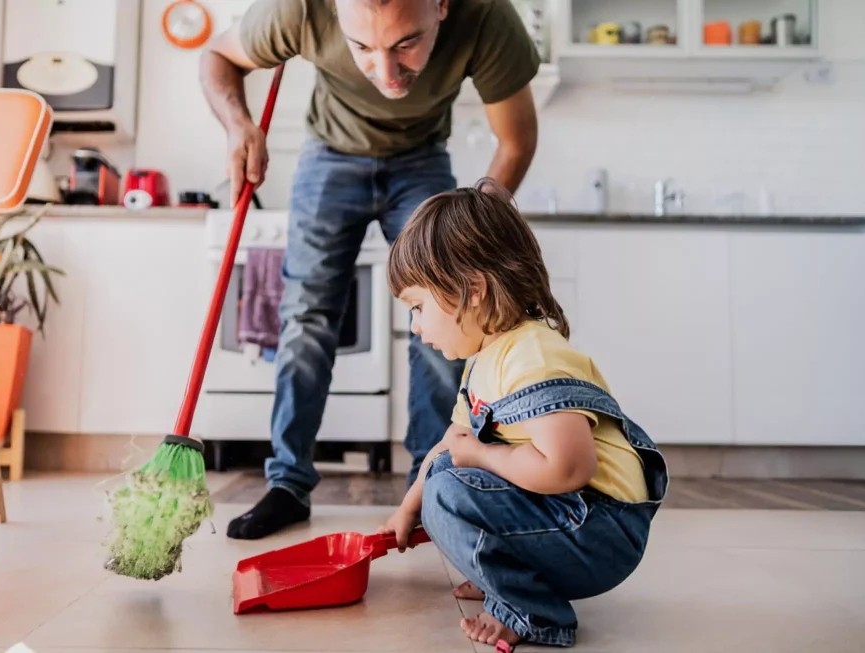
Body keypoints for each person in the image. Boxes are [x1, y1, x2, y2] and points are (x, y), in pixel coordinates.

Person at [199, 0, 543, 540]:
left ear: (442, 7)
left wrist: (475, 218)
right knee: (307, 315)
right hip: (329, 157)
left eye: (406, 43)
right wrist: (237, 125)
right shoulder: (299, 9)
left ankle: (430, 489)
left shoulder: (485, 15)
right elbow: (218, 55)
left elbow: (516, 140)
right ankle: (288, 482)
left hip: (421, 158)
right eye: (362, 47)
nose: (386, 73)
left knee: (446, 317)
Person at [379, 179, 669, 647]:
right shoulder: (484, 360)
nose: (414, 327)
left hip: (600, 527)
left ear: (473, 291)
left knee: (449, 490)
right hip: (570, 516)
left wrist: (482, 457)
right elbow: (448, 444)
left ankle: (529, 608)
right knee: (438, 486)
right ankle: (506, 574)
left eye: (418, 307)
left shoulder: (530, 355)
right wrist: (407, 510)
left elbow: (569, 467)